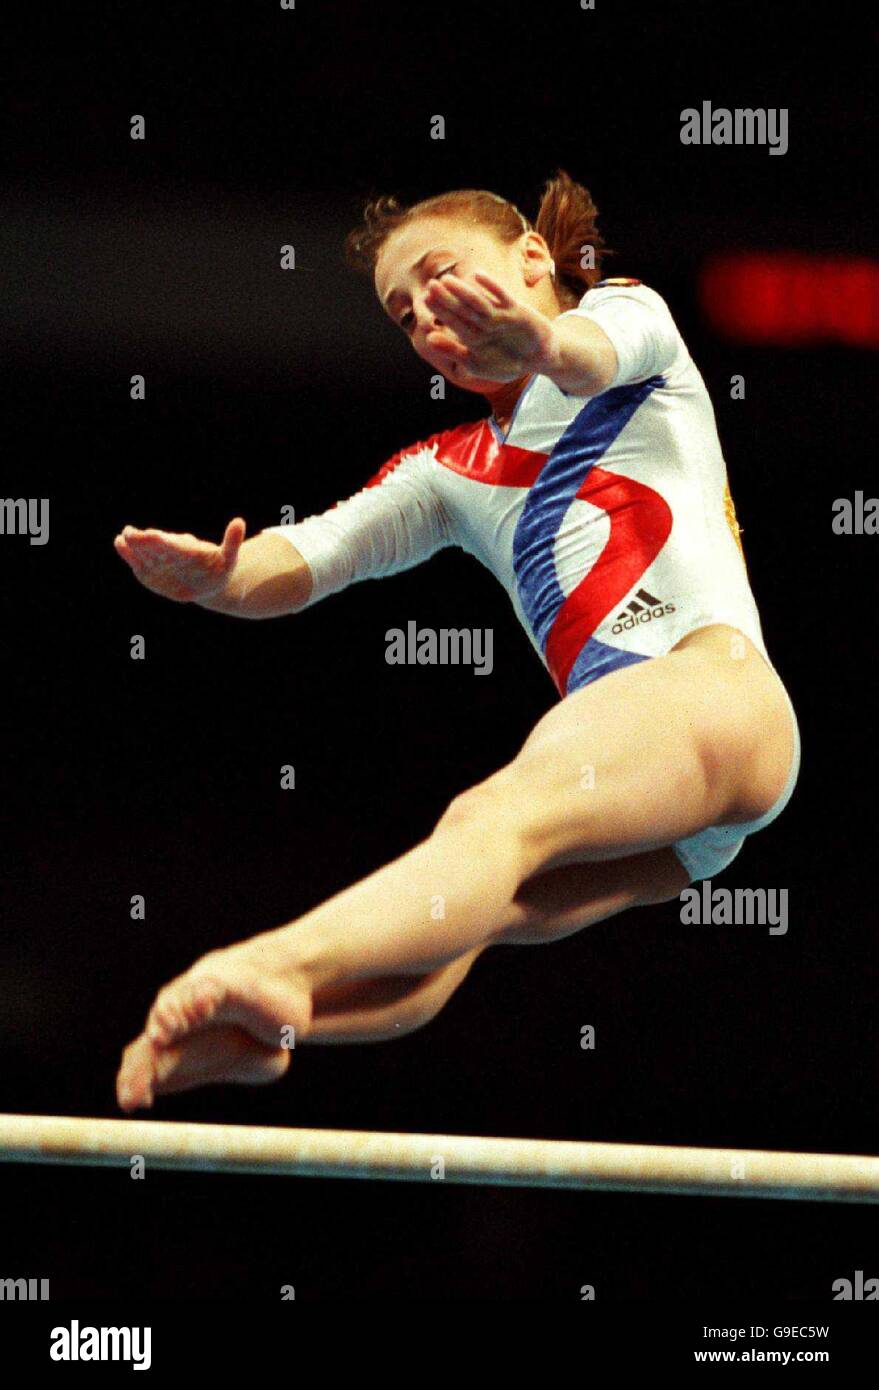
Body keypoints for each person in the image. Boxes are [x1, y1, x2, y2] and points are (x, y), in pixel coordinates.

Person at [113, 171, 800, 1111]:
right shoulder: (444, 472)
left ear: (528, 257)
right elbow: (313, 551)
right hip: (683, 809)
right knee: (466, 917)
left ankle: (274, 961)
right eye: (404, 316)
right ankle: (284, 1022)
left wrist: (547, 339)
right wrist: (224, 582)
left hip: (711, 693)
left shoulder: (629, 323)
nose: (429, 321)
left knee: (490, 821)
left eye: (441, 281)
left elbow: (591, 351)